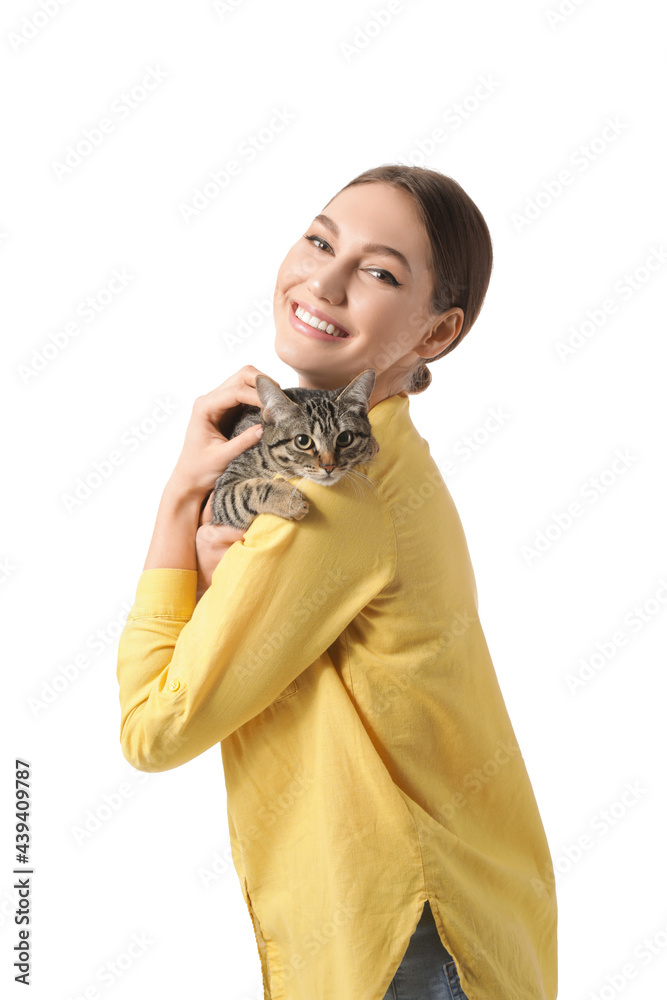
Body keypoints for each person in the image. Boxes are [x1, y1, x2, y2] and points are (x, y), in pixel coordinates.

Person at [115, 164, 558, 1000]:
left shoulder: (327, 502)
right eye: (320, 240)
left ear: (435, 334)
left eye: (380, 271)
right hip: (462, 920)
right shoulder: (392, 459)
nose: (323, 279)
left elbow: (153, 728)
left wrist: (179, 501)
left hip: (403, 941)